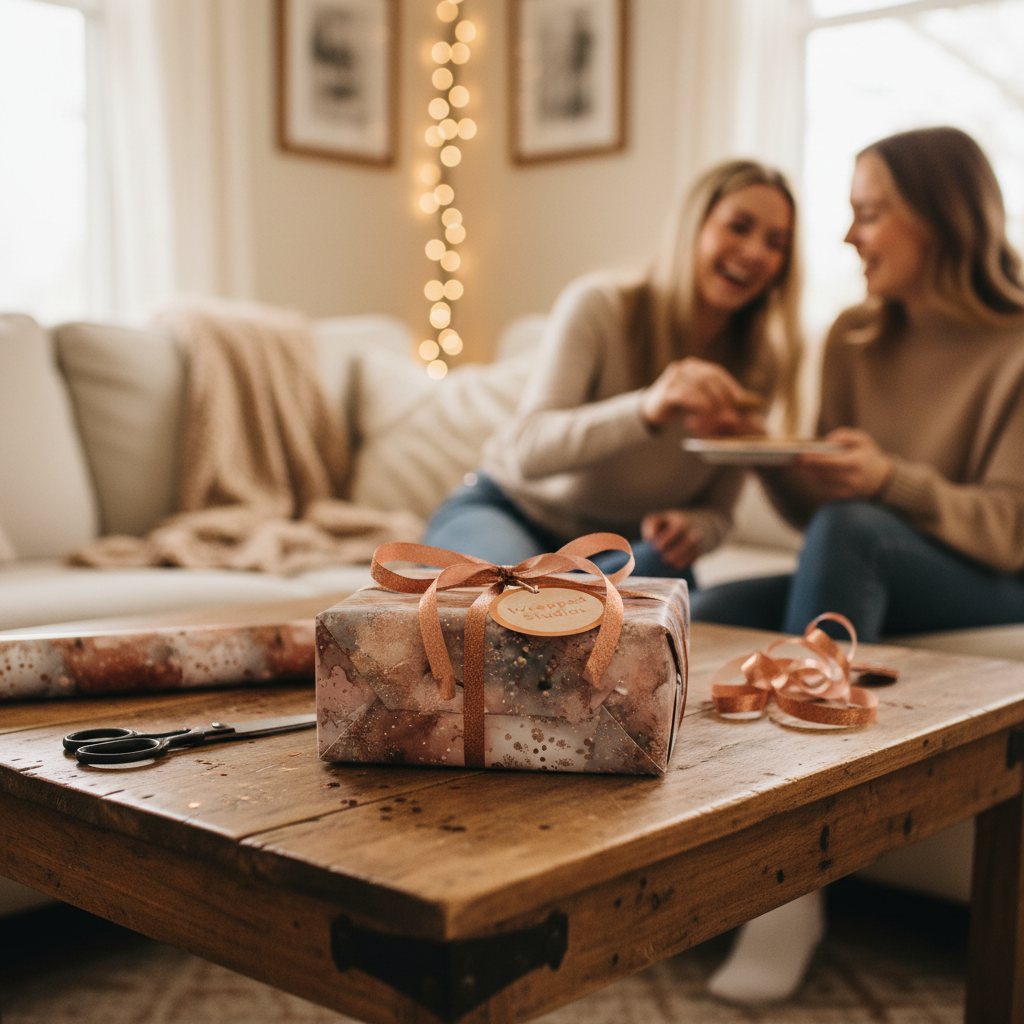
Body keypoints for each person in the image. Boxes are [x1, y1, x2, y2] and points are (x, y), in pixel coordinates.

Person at [695, 126, 1024, 1005]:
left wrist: (887, 479)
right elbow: (826, 523)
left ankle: (790, 883)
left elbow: (1012, 524)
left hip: (989, 571)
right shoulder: (853, 334)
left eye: (869, 214)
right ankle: (690, 852)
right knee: (712, 600)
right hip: (870, 556)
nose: (848, 238)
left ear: (944, 219)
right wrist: (786, 466)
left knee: (851, 532)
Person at [423, 159, 803, 579]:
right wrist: (646, 409)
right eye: (739, 226)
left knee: (661, 587)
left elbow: (719, 512)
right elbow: (526, 450)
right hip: (508, 511)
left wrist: (696, 529)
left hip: (614, 549)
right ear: (694, 225)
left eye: (776, 242)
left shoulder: (759, 364)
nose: (755, 252)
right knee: (510, 603)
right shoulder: (599, 306)